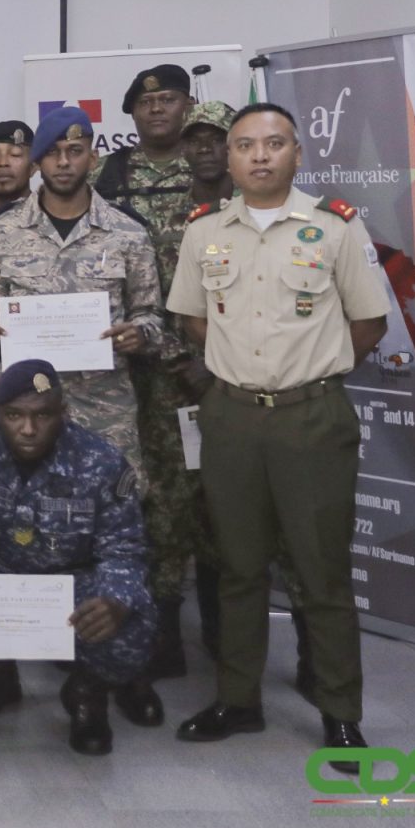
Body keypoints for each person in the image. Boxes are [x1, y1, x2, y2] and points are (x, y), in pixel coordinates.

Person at [168, 103, 388, 768]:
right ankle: (238, 700)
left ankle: (341, 715)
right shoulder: (204, 231)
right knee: (237, 568)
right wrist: (243, 370)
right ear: (229, 158)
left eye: (273, 143)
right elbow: (194, 321)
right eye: (245, 145)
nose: (258, 156)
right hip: (232, 417)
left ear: (297, 152)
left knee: (321, 573)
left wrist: (308, 373)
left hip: (311, 419)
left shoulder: (335, 227)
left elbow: (368, 323)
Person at [0, 360, 161, 759]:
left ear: (63, 412)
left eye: (42, 415)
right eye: (13, 415)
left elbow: (124, 548)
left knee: (134, 614)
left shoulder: (101, 461)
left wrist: (115, 600)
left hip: (65, 579)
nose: (27, 429)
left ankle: (87, 694)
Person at [0, 107, 162, 472]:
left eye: (75, 151)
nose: (64, 162)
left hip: (104, 405)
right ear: (37, 162)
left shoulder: (127, 232)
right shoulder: (4, 230)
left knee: (111, 501)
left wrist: (140, 333)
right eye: (53, 152)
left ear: (93, 157)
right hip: (25, 408)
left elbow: (150, 314)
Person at [138, 97, 237, 678]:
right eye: (195, 140)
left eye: (216, 139)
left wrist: (216, 367)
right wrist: (182, 360)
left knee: (226, 508)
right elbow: (149, 299)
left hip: (237, 390)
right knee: (167, 509)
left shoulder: (256, 215)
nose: (204, 149)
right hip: (167, 389)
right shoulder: (165, 215)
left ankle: (226, 634)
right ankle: (165, 637)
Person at [92, 63, 196, 229]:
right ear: (133, 113)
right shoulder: (100, 173)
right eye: (145, 102)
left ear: (190, 105)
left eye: (167, 100)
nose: (156, 109)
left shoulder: (213, 166)